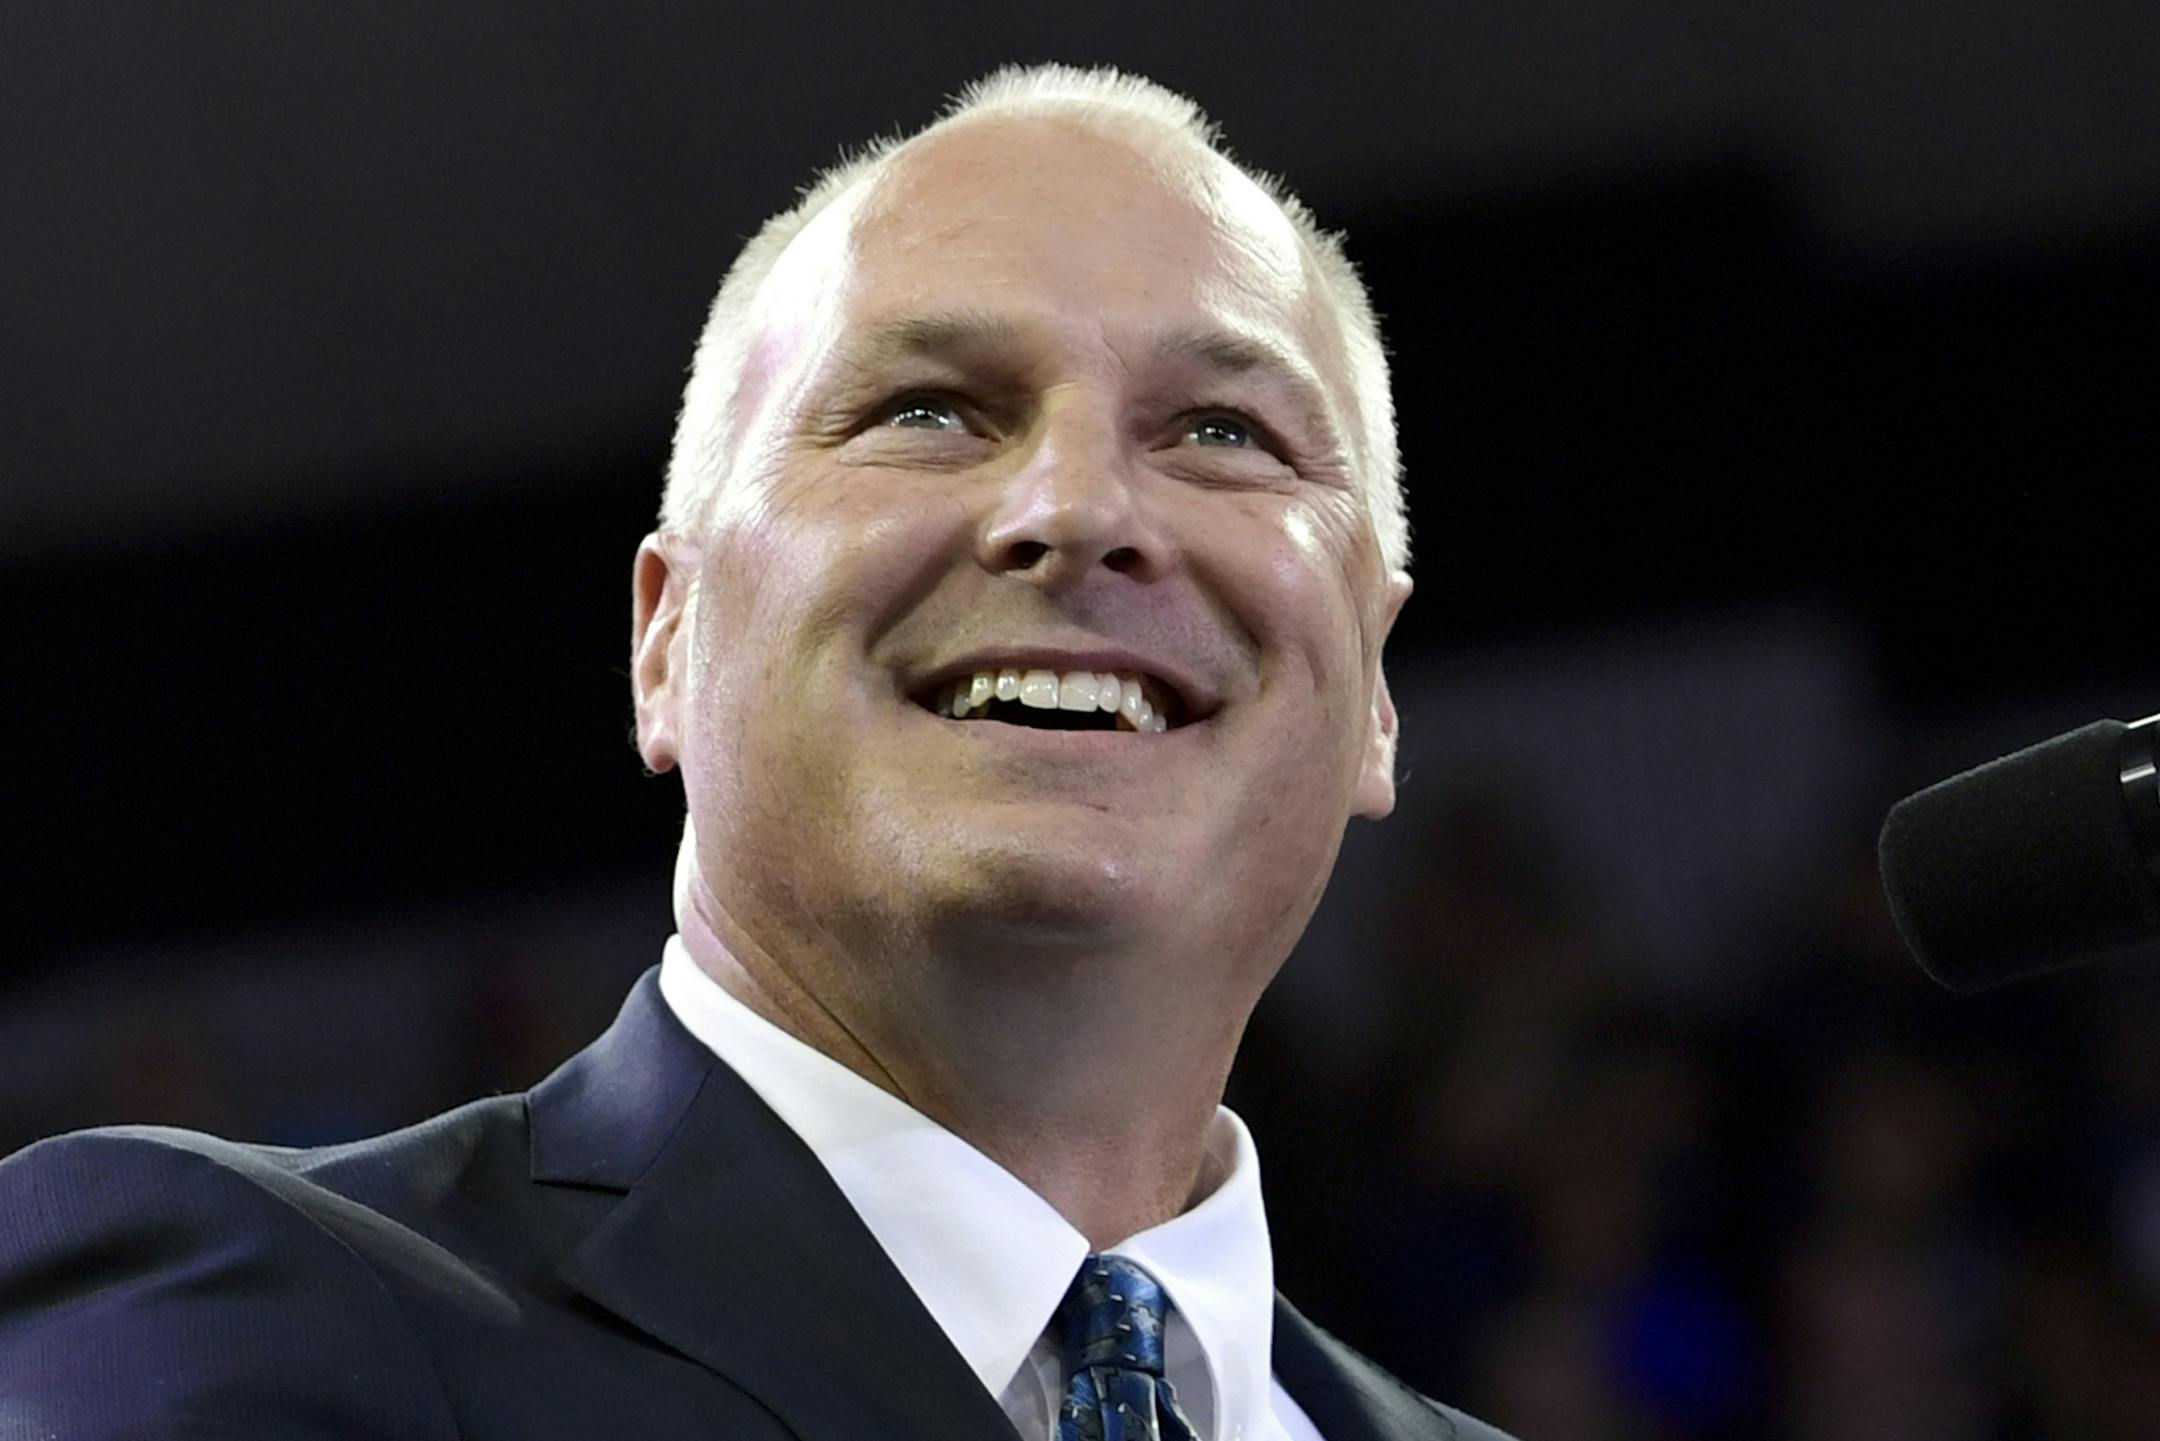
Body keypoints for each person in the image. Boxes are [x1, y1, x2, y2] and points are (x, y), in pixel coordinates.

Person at [0, 64, 1514, 1441]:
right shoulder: (233, 1310)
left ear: (1373, 687)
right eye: (929, 410)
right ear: (667, 641)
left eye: (1223, 435)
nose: (1079, 506)